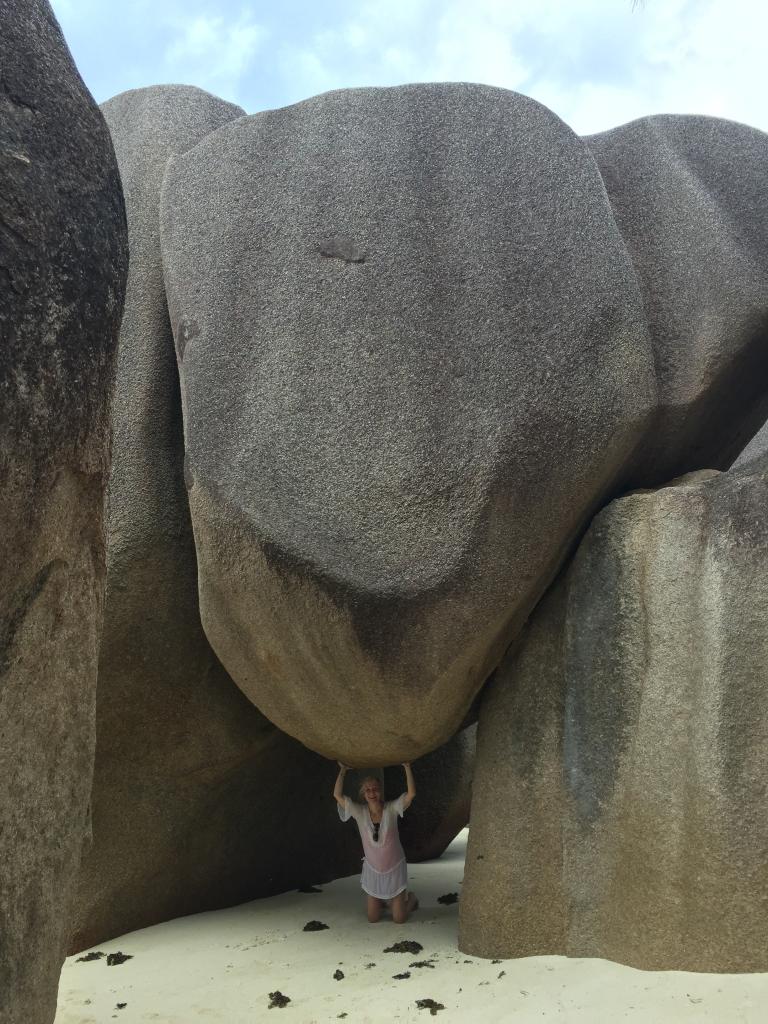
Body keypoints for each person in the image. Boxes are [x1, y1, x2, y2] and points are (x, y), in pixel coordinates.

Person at [333, 761, 419, 924]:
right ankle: (385, 901)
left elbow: (411, 794)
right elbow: (337, 795)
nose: (372, 793)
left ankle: (411, 899)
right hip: (373, 870)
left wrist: (407, 767)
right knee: (373, 919)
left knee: (399, 919)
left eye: (375, 789)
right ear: (363, 794)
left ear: (380, 791)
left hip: (394, 868)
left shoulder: (392, 809)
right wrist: (343, 770)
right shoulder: (359, 812)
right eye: (368, 790)